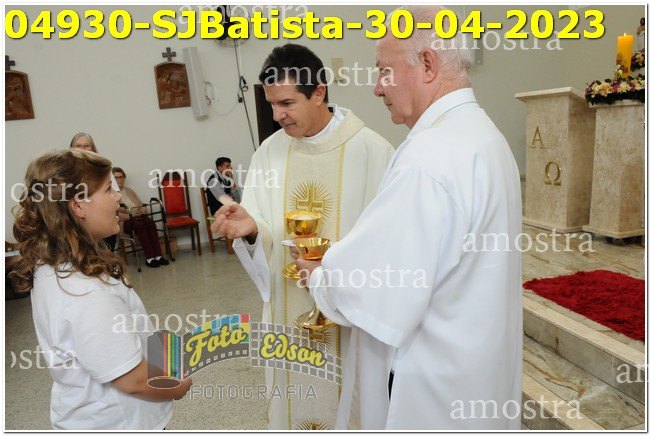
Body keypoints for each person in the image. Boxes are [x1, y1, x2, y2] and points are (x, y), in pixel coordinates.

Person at [295, 5, 523, 430]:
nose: (376, 88)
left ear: (428, 65)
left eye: (384, 71)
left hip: (433, 389)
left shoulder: (429, 155)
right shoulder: (486, 136)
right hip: (476, 372)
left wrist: (321, 275)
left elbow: (385, 288)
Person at [211, 43, 394, 430]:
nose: (277, 115)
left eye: (287, 103)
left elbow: (389, 243)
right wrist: (251, 228)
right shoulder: (269, 154)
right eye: (271, 105)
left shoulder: (372, 152)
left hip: (350, 318)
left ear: (319, 92)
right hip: (288, 314)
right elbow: (262, 224)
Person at [10, 149, 192, 429]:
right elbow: (133, 380)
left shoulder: (53, 264)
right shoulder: (86, 292)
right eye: (108, 189)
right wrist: (178, 385)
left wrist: (159, 350)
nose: (118, 197)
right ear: (78, 206)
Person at [112, 167, 170, 268]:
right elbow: (113, 213)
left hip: (138, 216)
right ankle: (150, 258)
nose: (119, 180)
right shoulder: (110, 194)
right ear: (112, 180)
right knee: (141, 225)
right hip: (124, 221)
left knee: (151, 223)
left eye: (121, 177)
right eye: (116, 177)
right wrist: (130, 216)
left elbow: (141, 204)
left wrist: (142, 210)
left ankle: (158, 256)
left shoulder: (129, 190)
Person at [206, 157, 242, 255]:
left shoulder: (227, 179)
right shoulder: (213, 180)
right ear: (220, 168)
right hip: (218, 210)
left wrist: (232, 181)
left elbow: (238, 199)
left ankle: (241, 243)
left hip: (228, 207)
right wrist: (236, 205)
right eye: (227, 166)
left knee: (247, 211)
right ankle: (236, 244)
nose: (230, 168)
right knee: (240, 213)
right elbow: (223, 200)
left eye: (230, 166)